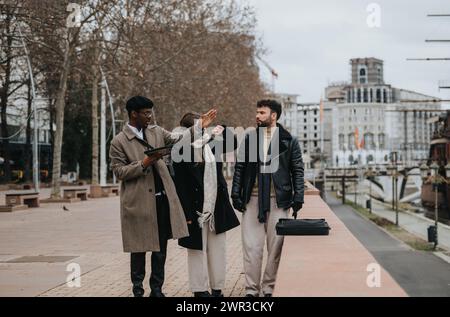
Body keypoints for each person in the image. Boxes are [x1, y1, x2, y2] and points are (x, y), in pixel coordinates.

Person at [109, 96, 217, 297]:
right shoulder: (119, 141)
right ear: (134, 114)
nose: (150, 116)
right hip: (138, 202)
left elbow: (178, 139)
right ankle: (138, 289)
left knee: (160, 249)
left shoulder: (156, 131)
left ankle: (156, 289)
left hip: (162, 199)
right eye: (146, 113)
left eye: (151, 112)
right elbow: (119, 172)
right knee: (138, 248)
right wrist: (144, 163)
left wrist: (199, 126)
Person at [231, 99, 304, 297]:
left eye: (262, 113)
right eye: (257, 112)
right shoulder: (249, 139)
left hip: (279, 201)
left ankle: (269, 288)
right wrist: (235, 193)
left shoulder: (289, 140)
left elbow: (297, 169)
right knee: (252, 249)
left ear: (274, 116)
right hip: (252, 201)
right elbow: (240, 168)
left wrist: (299, 197)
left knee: (276, 248)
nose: (257, 116)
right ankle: (251, 290)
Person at [173, 112, 240, 297]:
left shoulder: (211, 144)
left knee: (218, 249)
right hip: (194, 209)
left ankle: (217, 288)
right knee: (196, 250)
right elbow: (180, 186)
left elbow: (232, 143)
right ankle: (200, 290)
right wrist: (185, 215)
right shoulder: (180, 150)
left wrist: (222, 128)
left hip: (216, 206)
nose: (204, 129)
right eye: (201, 126)